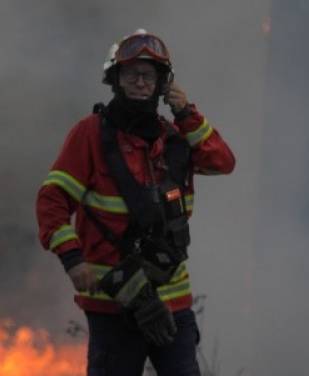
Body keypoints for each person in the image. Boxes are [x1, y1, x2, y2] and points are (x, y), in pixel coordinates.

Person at [35, 30, 235, 376]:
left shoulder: (174, 138)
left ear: (162, 84)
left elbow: (222, 163)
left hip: (172, 300)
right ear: (115, 79)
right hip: (112, 302)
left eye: (149, 76)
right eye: (131, 75)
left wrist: (186, 113)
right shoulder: (91, 134)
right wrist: (72, 259)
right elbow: (52, 200)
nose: (141, 83)